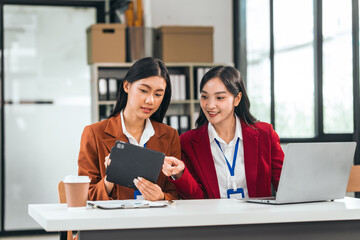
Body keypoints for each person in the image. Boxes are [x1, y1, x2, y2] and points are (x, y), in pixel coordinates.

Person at [162, 66, 284, 199]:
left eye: (219, 98)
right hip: (213, 219)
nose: (210, 105)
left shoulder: (265, 135)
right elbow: (196, 199)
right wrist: (181, 173)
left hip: (257, 218)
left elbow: (286, 186)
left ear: (237, 99)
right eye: (204, 97)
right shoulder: (188, 142)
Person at [78, 57, 179, 201]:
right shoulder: (94, 134)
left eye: (158, 94)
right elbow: (85, 197)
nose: (150, 101)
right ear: (126, 86)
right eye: (144, 90)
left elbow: (175, 194)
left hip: (155, 221)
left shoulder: (170, 135)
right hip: (115, 222)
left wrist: (161, 196)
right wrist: (111, 177)